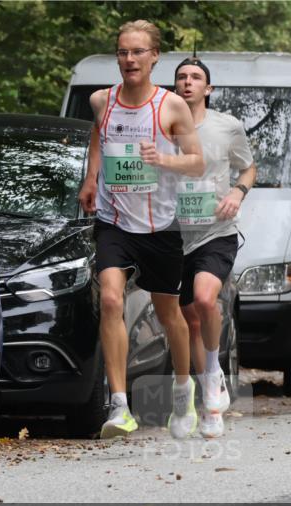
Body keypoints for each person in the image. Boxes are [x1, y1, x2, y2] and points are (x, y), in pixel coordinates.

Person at [77, 20, 205, 439]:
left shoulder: (171, 107)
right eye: (122, 52)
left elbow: (197, 161)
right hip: (114, 222)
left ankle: (184, 393)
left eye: (137, 52)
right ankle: (119, 407)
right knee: (111, 299)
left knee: (170, 315)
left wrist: (163, 160)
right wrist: (92, 178)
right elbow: (99, 136)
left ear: (154, 58)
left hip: (159, 226)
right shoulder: (102, 100)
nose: (128, 60)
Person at [173, 57, 256, 439]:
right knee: (189, 318)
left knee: (205, 301)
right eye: (181, 77)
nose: (188, 82)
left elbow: (249, 168)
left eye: (196, 78)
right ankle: (208, 403)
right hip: (173, 234)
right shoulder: (162, 124)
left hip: (216, 232)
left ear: (208, 89)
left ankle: (211, 374)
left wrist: (238, 193)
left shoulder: (227, 126)